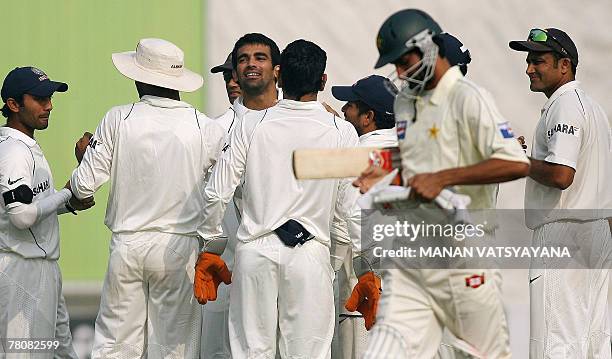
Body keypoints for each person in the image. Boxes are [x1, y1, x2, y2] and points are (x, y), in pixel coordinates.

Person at [352, 9, 530, 358]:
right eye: (396, 64)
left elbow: (515, 162)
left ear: (429, 47)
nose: (400, 73)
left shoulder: (468, 97)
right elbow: (420, 159)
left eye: (405, 61)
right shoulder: (404, 103)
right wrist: (385, 169)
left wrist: (445, 178)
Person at [194, 39, 362, 359]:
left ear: (279, 76)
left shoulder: (249, 124)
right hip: (310, 254)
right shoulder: (341, 131)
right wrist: (358, 265)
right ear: (323, 81)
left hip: (255, 252)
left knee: (251, 353)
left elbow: (216, 193)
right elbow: (349, 212)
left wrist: (210, 248)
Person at [68, 38, 226, 358]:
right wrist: (210, 246)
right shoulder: (206, 127)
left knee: (115, 346)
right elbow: (220, 192)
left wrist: (84, 158)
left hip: (127, 244)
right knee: (173, 348)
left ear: (140, 78)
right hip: (180, 246)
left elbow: (83, 187)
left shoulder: (119, 118)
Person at [509, 28, 612, 359]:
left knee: (554, 342)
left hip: (563, 234)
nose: (529, 68)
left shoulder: (564, 106)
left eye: (538, 61)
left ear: (564, 65)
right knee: (593, 342)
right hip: (596, 232)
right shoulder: (594, 109)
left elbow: (561, 175)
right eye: (527, 61)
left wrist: (519, 161)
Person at [0, 66, 93, 358]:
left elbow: (34, 206)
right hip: (23, 272)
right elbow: (20, 216)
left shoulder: (22, 145)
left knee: (63, 353)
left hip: (41, 269)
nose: (49, 105)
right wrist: (67, 193)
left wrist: (68, 200)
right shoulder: (14, 151)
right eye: (40, 98)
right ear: (14, 105)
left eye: (50, 97)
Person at [200, 34, 281, 359]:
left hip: (284, 253)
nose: (234, 79)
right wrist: (210, 250)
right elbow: (205, 194)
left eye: (256, 60)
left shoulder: (290, 119)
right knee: (224, 350)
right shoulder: (216, 129)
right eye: (229, 73)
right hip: (230, 258)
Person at [330, 74, 397, 359]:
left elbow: (352, 214)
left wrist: (367, 271)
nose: (344, 110)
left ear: (368, 116)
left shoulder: (357, 154)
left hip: (367, 278)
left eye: (350, 105)